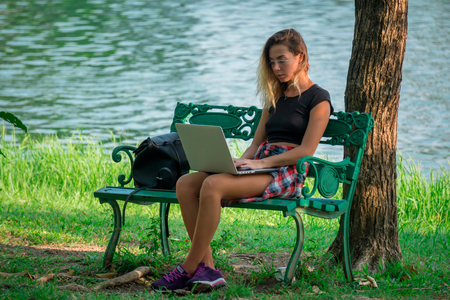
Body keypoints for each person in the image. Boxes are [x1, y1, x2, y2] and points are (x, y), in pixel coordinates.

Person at [151, 28, 333, 292]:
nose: (276, 67)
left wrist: (260, 164)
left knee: (213, 186)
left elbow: (306, 150)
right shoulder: (275, 97)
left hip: (286, 171)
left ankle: (188, 267)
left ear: (300, 57)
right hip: (259, 165)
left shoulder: (319, 99)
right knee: (186, 184)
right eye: (272, 61)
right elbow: (257, 144)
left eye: (282, 59)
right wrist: (238, 161)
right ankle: (209, 270)